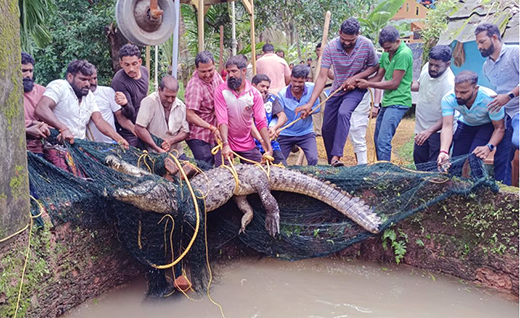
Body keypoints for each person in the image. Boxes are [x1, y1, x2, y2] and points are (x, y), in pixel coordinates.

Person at [297, 18, 379, 166]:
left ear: (358, 34)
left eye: (351, 40)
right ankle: (332, 164)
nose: (347, 43)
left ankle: (336, 156)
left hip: (356, 90)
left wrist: (356, 78)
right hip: (337, 90)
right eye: (344, 39)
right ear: (339, 33)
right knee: (326, 128)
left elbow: (374, 67)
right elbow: (322, 76)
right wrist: (310, 103)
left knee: (343, 113)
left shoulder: (366, 45)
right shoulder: (331, 47)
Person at [35, 60, 128, 147]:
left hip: (79, 148)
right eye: (83, 79)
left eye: (89, 79)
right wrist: (63, 128)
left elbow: (99, 120)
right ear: (70, 77)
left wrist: (119, 139)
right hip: (57, 147)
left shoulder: (88, 95)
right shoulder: (59, 86)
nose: (88, 84)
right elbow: (41, 109)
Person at [357, 25, 413, 162]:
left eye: (389, 47)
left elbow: (394, 83)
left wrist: (368, 84)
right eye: (384, 49)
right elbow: (378, 77)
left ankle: (385, 174)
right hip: (388, 101)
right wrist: (359, 81)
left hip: (399, 102)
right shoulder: (387, 54)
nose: (386, 51)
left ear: (398, 41)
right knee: (377, 139)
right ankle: (381, 167)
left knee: (383, 141)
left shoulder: (404, 54)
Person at [475, 23, 519, 185]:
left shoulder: (515, 53)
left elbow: (506, 94)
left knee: (517, 141)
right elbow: (498, 91)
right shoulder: (486, 67)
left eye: (482, 42)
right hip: (505, 115)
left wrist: (508, 96)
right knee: (502, 158)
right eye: (477, 43)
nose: (479, 46)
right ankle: (504, 193)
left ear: (494, 37)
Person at [437, 71, 505, 172]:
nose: (458, 95)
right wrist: (444, 151)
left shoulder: (490, 99)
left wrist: (489, 147)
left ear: (475, 88)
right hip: (466, 123)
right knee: (455, 162)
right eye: (456, 91)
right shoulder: (449, 98)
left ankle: (480, 185)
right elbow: (447, 126)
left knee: (474, 159)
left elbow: (499, 128)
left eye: (464, 92)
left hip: (486, 125)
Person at [214, 56, 273, 164]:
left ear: (244, 71)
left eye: (234, 71)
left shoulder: (254, 94)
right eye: (228, 72)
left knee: (259, 172)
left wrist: (268, 147)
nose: (230, 75)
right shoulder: (220, 91)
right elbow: (222, 120)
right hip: (227, 141)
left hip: (247, 143)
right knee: (221, 174)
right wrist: (225, 144)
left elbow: (261, 122)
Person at [411, 45, 455, 168]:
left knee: (434, 168)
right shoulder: (426, 68)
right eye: (431, 64)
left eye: (437, 66)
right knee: (419, 164)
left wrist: (429, 131)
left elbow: (448, 117)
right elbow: (420, 85)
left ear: (448, 64)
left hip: (439, 132)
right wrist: (403, 85)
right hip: (421, 128)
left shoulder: (450, 84)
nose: (433, 68)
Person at [184, 51, 224, 166]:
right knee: (205, 165)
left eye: (210, 70)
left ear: (214, 66)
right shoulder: (195, 86)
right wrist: (211, 127)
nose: (207, 74)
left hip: (215, 132)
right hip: (198, 134)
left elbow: (223, 93)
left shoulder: (216, 75)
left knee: (219, 163)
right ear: (196, 68)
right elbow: (190, 114)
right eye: (203, 72)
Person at [135, 76, 189, 157]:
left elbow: (185, 131)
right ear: (159, 90)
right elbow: (139, 128)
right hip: (152, 153)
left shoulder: (181, 106)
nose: (170, 100)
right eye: (166, 96)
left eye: (173, 97)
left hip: (176, 153)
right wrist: (157, 148)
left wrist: (171, 141)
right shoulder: (149, 102)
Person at [277, 65, 320, 165]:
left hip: (305, 133)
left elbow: (317, 108)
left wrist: (309, 111)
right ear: (291, 78)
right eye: (294, 81)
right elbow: (279, 115)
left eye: (300, 82)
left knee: (313, 159)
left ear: (306, 79)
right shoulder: (282, 94)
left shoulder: (313, 89)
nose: (296, 84)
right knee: (279, 163)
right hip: (286, 134)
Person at [111, 44, 150, 147]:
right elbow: (128, 114)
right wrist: (125, 104)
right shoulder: (119, 81)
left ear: (140, 62)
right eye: (127, 65)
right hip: (128, 128)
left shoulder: (145, 71)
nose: (131, 68)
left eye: (134, 64)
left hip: (144, 122)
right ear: (121, 63)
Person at [87, 66, 135, 143]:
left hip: (111, 143)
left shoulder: (108, 92)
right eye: (89, 79)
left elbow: (121, 118)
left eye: (95, 78)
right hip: (89, 146)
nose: (93, 82)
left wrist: (136, 131)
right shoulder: (80, 97)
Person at [251, 74, 288, 164]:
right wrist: (261, 139)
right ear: (253, 85)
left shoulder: (271, 99)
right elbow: (249, 123)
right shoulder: (247, 99)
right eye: (262, 86)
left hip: (271, 143)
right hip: (251, 145)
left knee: (283, 167)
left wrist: (274, 128)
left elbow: (283, 116)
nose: (265, 89)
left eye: (267, 87)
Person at [21, 52, 50, 154]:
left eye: (31, 71)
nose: (28, 75)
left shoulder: (42, 91)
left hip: (38, 150)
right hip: (12, 149)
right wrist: (29, 126)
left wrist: (42, 126)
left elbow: (51, 117)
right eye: (24, 70)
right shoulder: (5, 92)